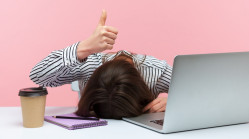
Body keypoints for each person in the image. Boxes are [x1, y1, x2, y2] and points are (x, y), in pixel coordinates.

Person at [29, 10, 172, 119]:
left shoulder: (156, 72)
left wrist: (173, 103)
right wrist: (83, 48)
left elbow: (194, 89)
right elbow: (38, 76)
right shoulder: (89, 64)